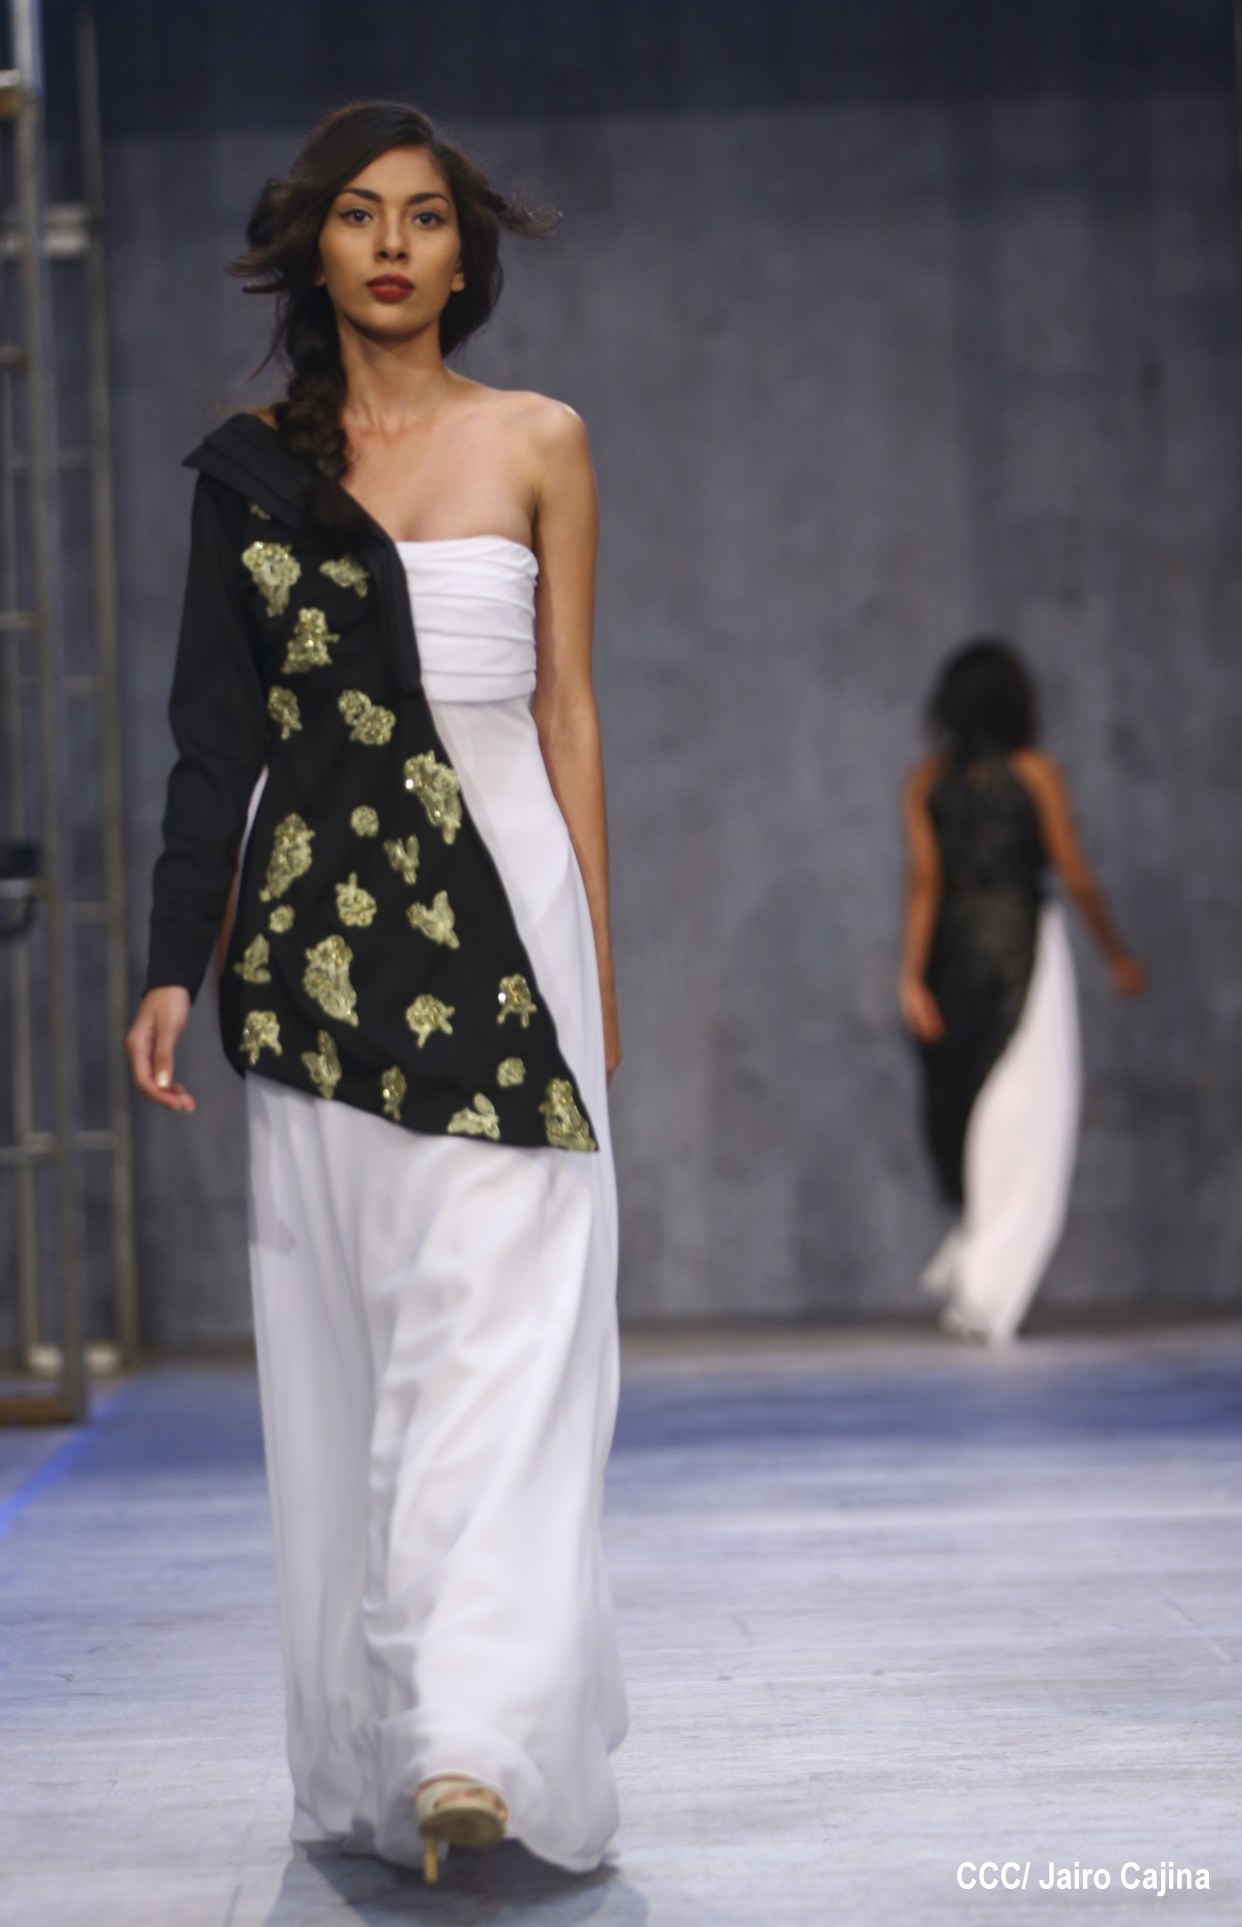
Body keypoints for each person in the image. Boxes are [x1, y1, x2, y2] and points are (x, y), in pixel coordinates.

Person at [124, 101, 627, 1881]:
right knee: (369, 1336)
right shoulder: (251, 476)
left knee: (502, 1325)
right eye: (360, 213)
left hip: (508, 915)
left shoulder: (541, 438)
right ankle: (409, 1725)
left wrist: (597, 958)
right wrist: (172, 959)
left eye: (425, 216)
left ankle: (470, 1737)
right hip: (321, 937)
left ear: (465, 253)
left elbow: (566, 709)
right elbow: (215, 740)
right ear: (314, 246)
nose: (395, 243)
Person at [899, 638, 1146, 1343]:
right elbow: (1075, 871)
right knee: (1026, 1110)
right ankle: (989, 1282)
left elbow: (925, 885)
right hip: (1021, 945)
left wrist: (911, 977)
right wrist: (1116, 953)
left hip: (951, 951)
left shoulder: (926, 782)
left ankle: (979, 1266)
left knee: (973, 1106)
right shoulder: (1036, 773)